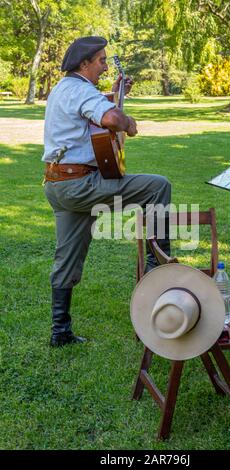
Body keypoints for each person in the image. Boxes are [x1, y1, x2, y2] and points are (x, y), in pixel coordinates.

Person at [42, 36, 171, 347]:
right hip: (79, 185)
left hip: (57, 185)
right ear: (84, 63)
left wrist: (115, 93)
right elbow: (110, 118)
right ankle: (158, 262)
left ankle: (60, 332)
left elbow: (90, 107)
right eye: (100, 60)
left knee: (66, 258)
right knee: (158, 186)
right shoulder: (82, 90)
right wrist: (127, 122)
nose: (103, 65)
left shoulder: (64, 88)